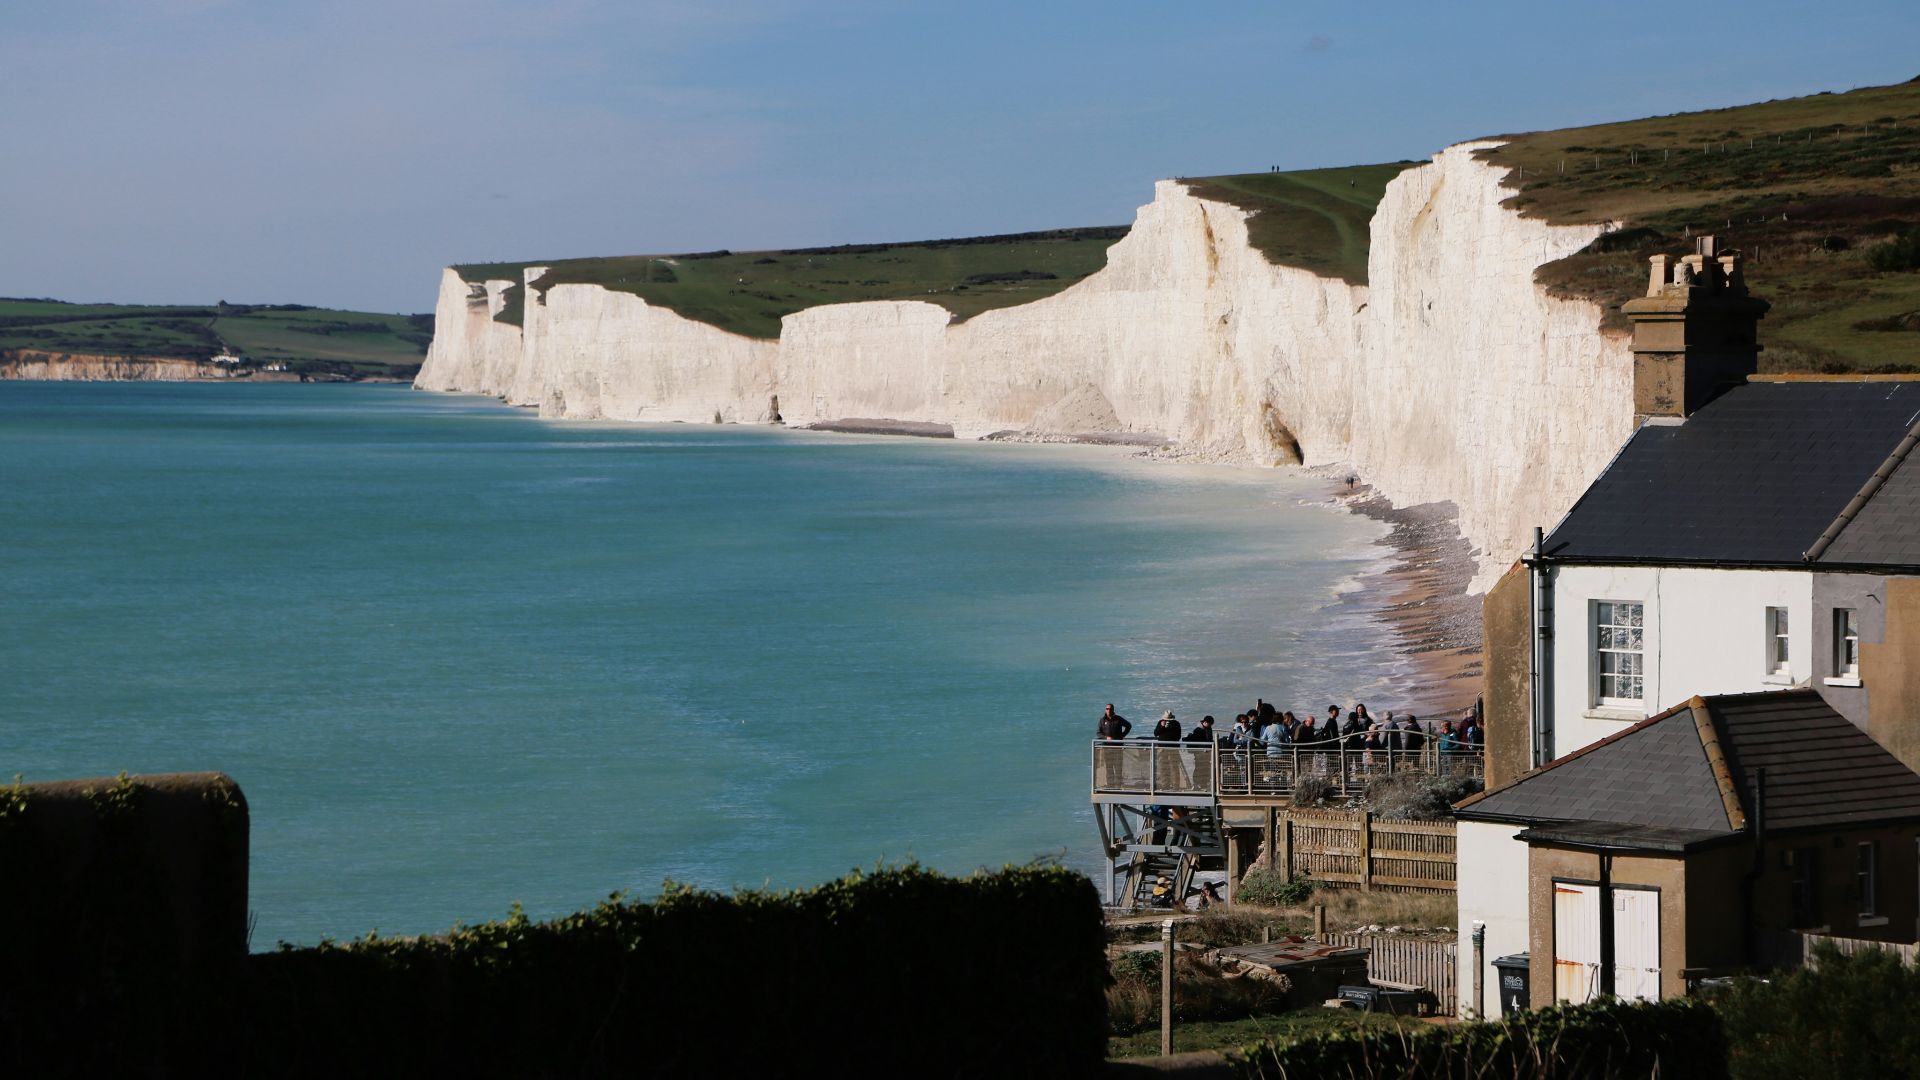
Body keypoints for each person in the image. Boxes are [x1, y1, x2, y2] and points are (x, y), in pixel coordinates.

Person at [1096, 703, 1132, 789]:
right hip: (1107, 747)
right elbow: (1098, 733)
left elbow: (1129, 726)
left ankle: (1118, 786)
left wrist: (1123, 735)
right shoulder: (1102, 720)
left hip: (1118, 747)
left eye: (1110, 709)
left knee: (1118, 767)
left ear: (1113, 709)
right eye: (1107, 709)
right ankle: (1110, 785)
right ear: (1105, 710)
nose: (1109, 710)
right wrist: (1105, 737)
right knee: (1109, 767)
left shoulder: (1118, 719)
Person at [1153, 711, 1183, 789]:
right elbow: (1156, 733)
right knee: (1163, 767)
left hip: (1173, 748)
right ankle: (1165, 785)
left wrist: (1170, 729)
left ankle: (1176, 785)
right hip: (1162, 748)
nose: (1167, 721)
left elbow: (1178, 736)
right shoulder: (1161, 722)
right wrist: (1162, 726)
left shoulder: (1176, 724)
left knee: (1174, 767)